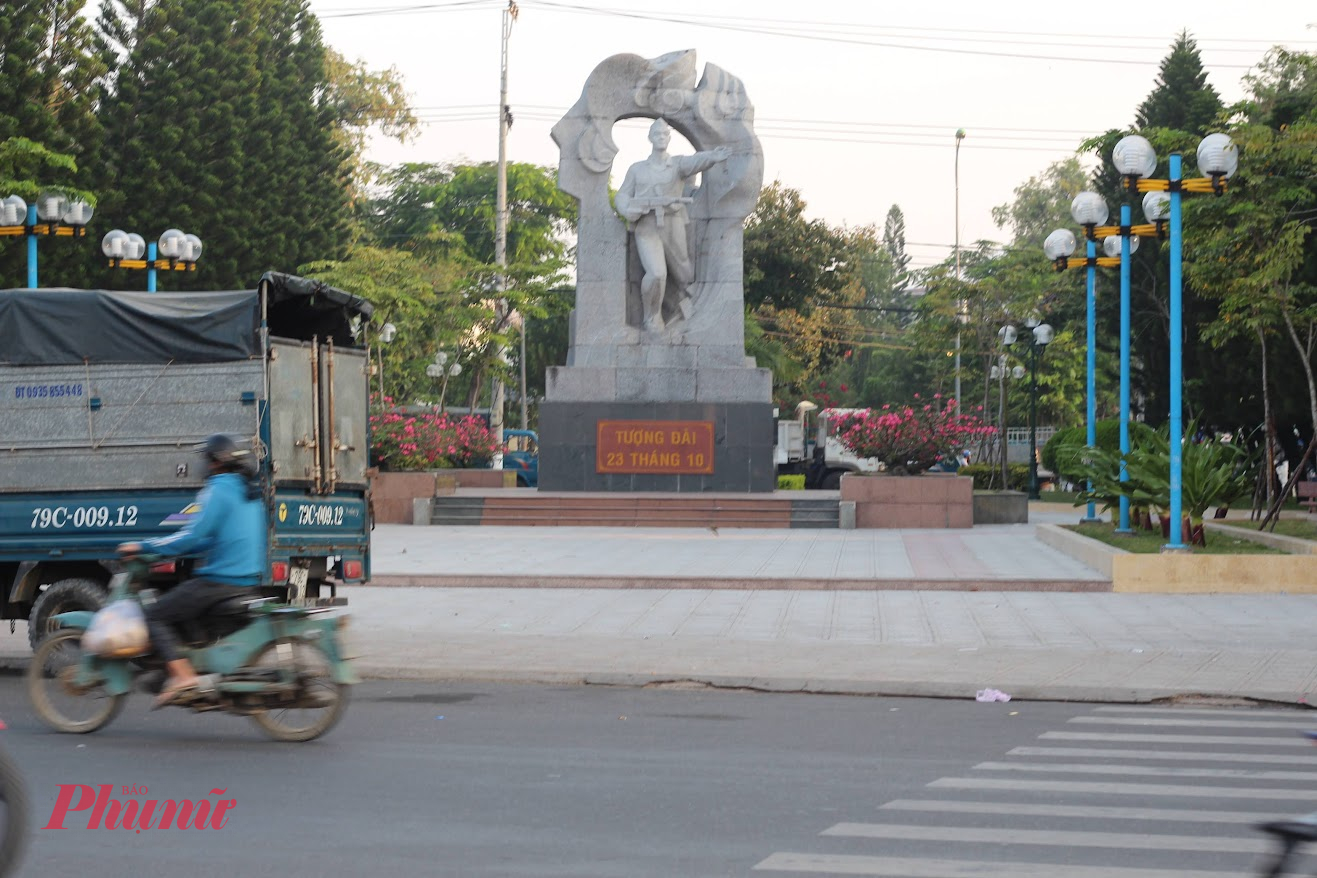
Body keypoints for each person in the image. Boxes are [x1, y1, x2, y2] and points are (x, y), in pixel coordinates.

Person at [118, 434, 267, 707]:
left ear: (215, 463)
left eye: (205, 460)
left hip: (220, 581)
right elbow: (213, 538)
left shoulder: (217, 490)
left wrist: (144, 546)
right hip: (246, 580)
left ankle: (184, 677)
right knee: (182, 603)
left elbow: (191, 536)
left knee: (154, 616)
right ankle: (185, 669)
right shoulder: (248, 491)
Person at [614, 118, 731, 331]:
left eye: (665, 135)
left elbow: (695, 161)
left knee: (685, 274)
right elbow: (622, 196)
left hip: (673, 223)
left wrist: (713, 157)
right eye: (657, 134)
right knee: (657, 274)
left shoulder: (677, 164)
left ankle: (685, 313)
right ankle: (652, 317)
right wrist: (629, 209)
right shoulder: (637, 169)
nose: (661, 138)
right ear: (650, 137)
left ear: (669, 138)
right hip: (647, 226)